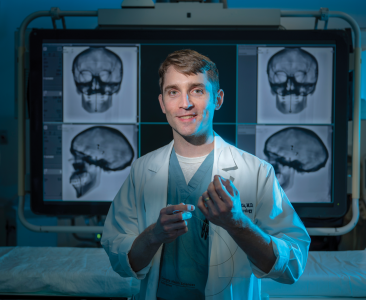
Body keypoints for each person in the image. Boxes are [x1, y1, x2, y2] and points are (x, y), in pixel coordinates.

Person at [101, 49, 311, 300]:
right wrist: (154, 235)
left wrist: (239, 224)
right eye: (173, 92)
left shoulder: (257, 172)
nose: (185, 103)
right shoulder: (142, 170)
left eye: (197, 90)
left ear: (218, 99)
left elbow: (293, 266)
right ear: (162, 104)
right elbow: (119, 259)